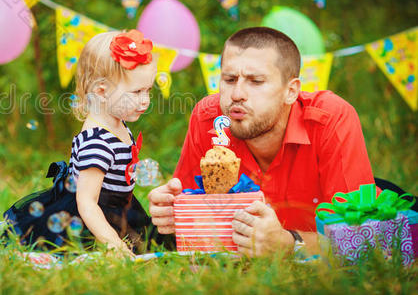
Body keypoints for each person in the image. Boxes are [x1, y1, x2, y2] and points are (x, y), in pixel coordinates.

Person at [148, 27, 377, 257]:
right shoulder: (208, 119)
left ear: (291, 91)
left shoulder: (330, 120)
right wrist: (172, 212)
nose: (237, 94)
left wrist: (290, 245)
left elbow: (363, 241)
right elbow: (192, 219)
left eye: (255, 81)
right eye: (229, 79)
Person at [6, 30, 158, 255]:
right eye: (136, 92)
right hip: (90, 217)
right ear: (101, 91)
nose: (145, 100)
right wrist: (113, 244)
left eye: (148, 90)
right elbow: (86, 202)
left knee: (152, 245)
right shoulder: (97, 142)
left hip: (118, 208)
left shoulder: (116, 121)